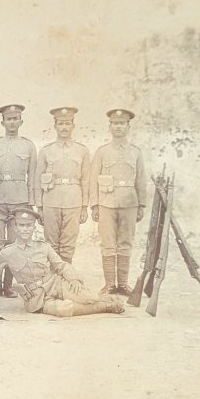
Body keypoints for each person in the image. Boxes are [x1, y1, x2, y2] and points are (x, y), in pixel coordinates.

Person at [0, 208, 123, 317]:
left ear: (33, 228)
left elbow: (61, 266)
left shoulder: (44, 247)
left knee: (88, 297)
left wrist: (73, 279)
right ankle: (106, 307)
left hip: (56, 284)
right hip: (36, 297)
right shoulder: (8, 252)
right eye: (21, 225)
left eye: (29, 225)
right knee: (63, 310)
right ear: (15, 228)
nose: (25, 229)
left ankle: (108, 298)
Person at [0, 103, 38, 298]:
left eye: (15, 118)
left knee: (14, 243)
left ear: (21, 121)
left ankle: (8, 285)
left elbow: (33, 175)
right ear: (2, 122)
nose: (12, 122)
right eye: (8, 119)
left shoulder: (28, 145)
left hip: (19, 200)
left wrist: (31, 201)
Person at [90, 108, 148, 295]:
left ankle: (122, 284)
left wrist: (142, 204)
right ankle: (109, 284)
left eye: (122, 123)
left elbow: (141, 179)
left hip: (130, 203)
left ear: (128, 126)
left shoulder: (135, 152)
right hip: (107, 203)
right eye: (115, 123)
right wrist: (95, 205)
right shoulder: (102, 152)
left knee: (125, 243)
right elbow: (93, 179)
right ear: (109, 126)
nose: (118, 127)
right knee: (107, 244)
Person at [35, 107, 90, 264]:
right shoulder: (46, 151)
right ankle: (52, 280)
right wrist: (39, 206)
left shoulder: (82, 150)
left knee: (68, 244)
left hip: (73, 201)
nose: (64, 127)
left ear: (73, 125)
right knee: (51, 244)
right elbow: (38, 179)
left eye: (67, 123)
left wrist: (84, 206)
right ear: (55, 126)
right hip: (51, 201)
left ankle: (66, 280)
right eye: (61, 123)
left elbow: (86, 180)